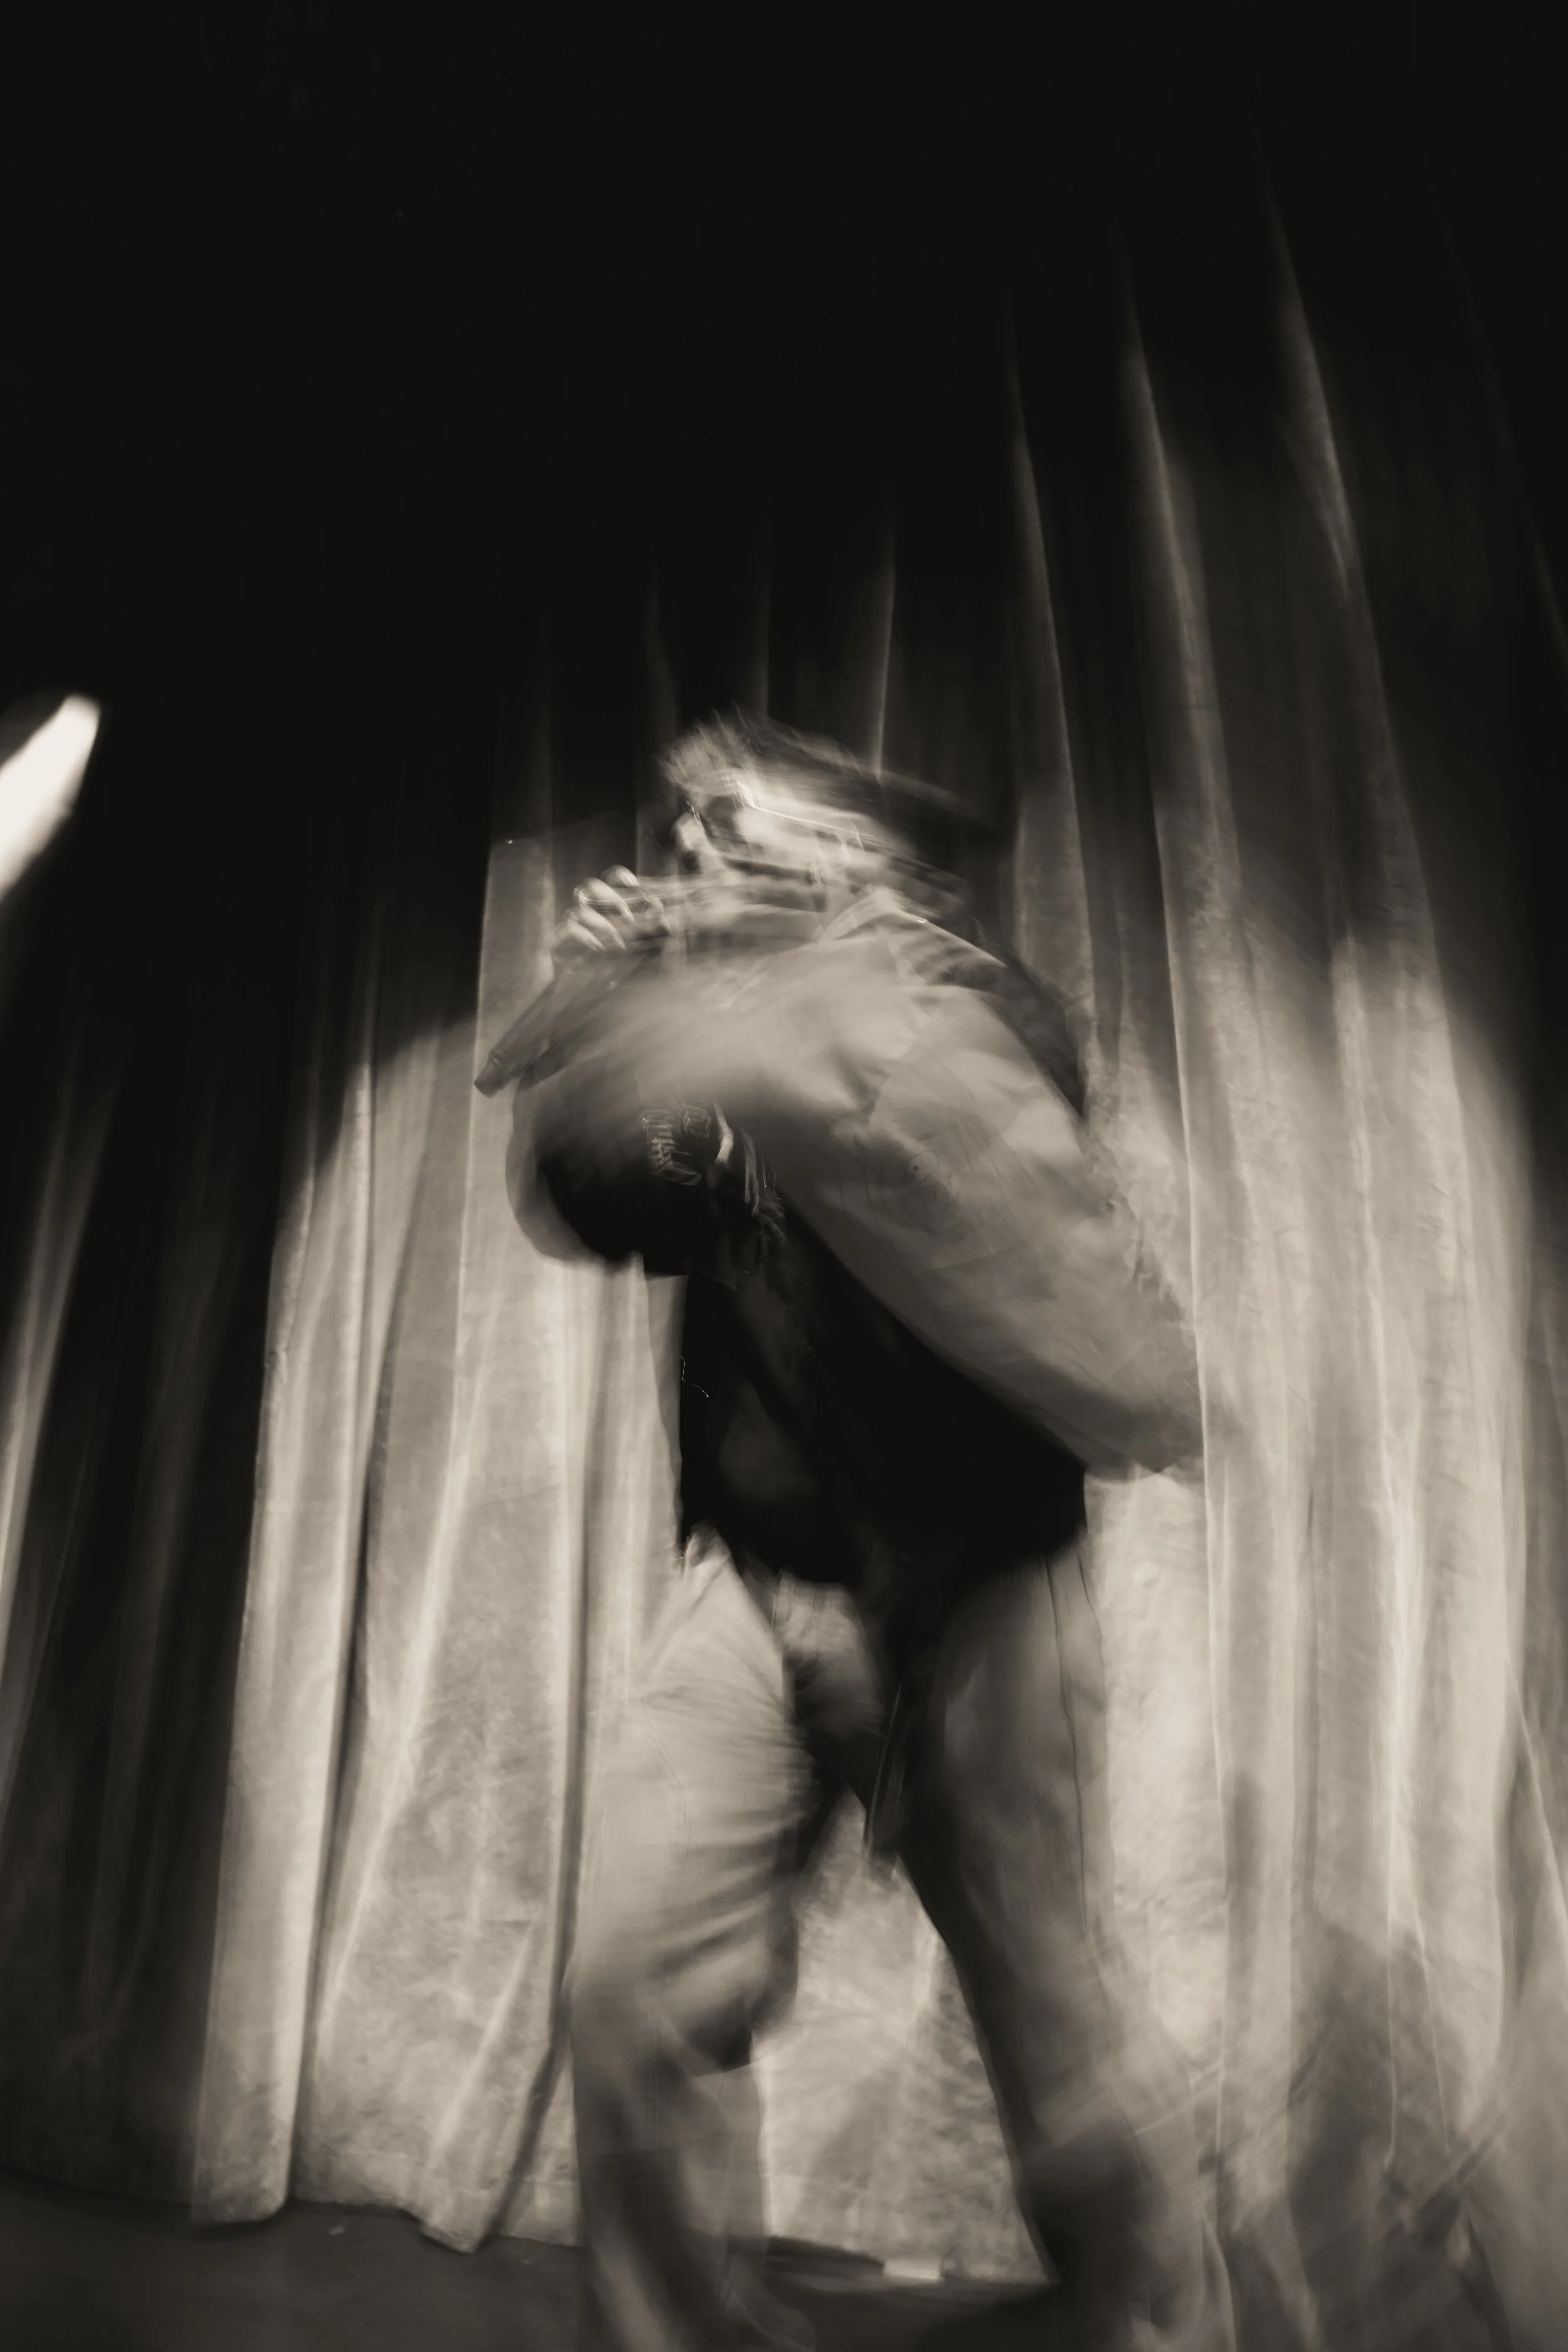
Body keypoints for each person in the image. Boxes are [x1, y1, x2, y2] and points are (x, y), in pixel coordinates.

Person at [480, 716, 1234, 2352]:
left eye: (742, 823)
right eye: (695, 827)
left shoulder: (967, 1010)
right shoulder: (722, 1036)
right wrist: (608, 1002)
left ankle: (1157, 2327)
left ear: (857, 854)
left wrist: (675, 1009)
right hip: (764, 1583)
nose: (699, 850)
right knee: (633, 1986)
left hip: (974, 1594)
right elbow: (599, 1197)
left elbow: (898, 1115)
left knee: (1049, 2010)